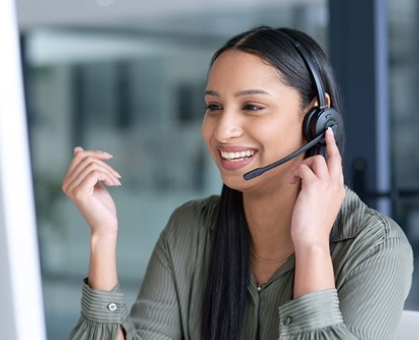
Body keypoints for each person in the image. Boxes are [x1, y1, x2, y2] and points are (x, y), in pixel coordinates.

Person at [62, 26, 413, 339]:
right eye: (214, 107)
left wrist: (312, 245)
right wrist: (102, 236)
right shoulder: (190, 229)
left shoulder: (374, 247)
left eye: (252, 106)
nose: (223, 131)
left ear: (318, 117)